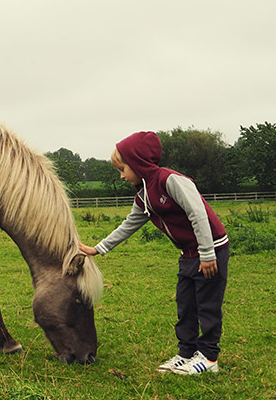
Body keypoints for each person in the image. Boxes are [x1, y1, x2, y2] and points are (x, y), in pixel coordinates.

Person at [78, 131, 230, 375]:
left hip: (210, 249)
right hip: (188, 254)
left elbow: (198, 213)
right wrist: (99, 248)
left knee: (207, 305)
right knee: (185, 305)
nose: (121, 175)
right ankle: (186, 352)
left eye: (123, 168)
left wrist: (207, 253)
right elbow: (129, 225)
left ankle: (209, 358)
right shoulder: (144, 195)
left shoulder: (171, 181)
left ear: (138, 163)